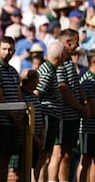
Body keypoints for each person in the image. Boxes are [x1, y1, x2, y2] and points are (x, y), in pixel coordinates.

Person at [48, 29, 84, 182]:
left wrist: (83, 103)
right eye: (77, 42)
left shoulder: (69, 61)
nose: (78, 45)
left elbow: (75, 86)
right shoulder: (59, 60)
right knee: (58, 153)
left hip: (73, 115)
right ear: (68, 42)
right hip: (63, 115)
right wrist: (80, 107)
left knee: (67, 154)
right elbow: (62, 88)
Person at [0, 36, 23, 182]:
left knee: (6, 158)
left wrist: (20, 113)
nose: (8, 52)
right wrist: (13, 116)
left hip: (12, 122)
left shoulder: (13, 71)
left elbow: (18, 94)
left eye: (10, 49)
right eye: (4, 49)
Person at [34, 42, 65, 182]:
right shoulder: (47, 71)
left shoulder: (50, 69)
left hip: (50, 117)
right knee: (44, 155)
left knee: (45, 155)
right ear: (61, 55)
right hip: (47, 117)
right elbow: (36, 94)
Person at [77, 49, 95, 182]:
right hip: (89, 127)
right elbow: (92, 108)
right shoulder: (88, 80)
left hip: (92, 127)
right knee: (86, 159)